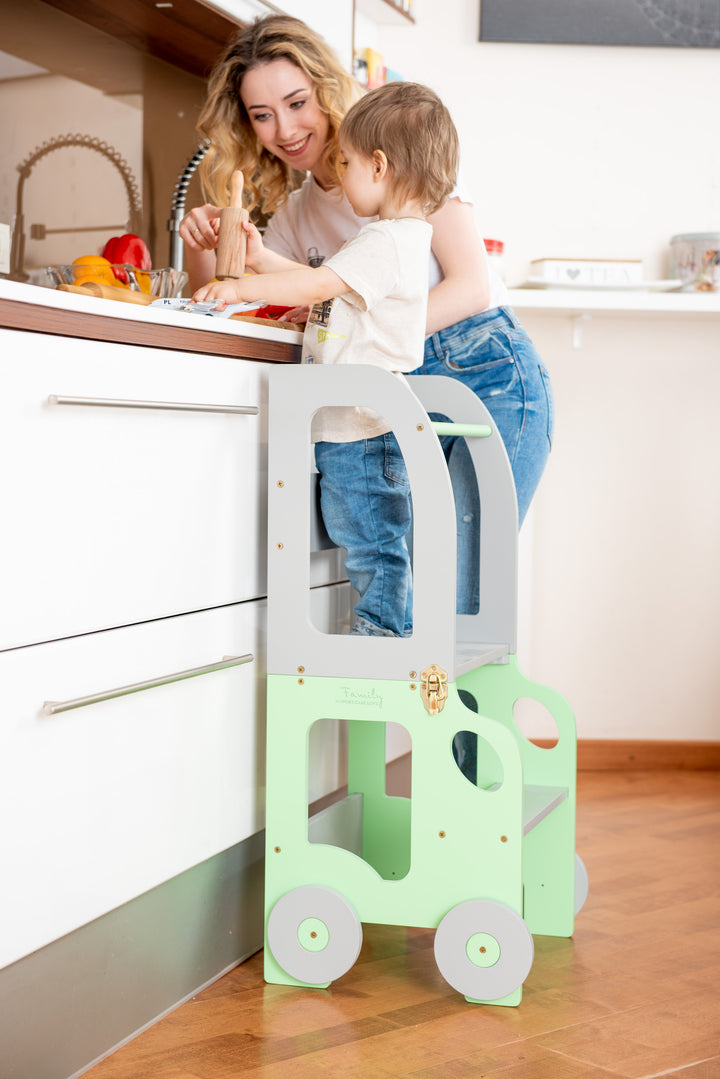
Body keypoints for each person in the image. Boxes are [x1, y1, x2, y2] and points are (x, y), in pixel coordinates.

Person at [180, 14, 554, 622]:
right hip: (399, 391)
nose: (285, 129)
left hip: (485, 372)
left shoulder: (400, 155)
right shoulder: (298, 216)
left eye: (296, 103)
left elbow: (469, 285)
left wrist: (367, 333)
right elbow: (246, 301)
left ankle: (464, 720)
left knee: (462, 598)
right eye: (261, 114)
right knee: (420, 591)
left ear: (326, 91)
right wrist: (205, 242)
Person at [193, 81, 459, 638]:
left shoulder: (385, 240)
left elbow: (319, 283)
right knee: (363, 530)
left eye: (347, 162)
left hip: (363, 427)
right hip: (358, 423)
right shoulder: (393, 238)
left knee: (371, 540)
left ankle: (384, 632)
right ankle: (385, 626)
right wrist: (260, 255)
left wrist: (238, 288)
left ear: (379, 167)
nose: (339, 173)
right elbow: (330, 290)